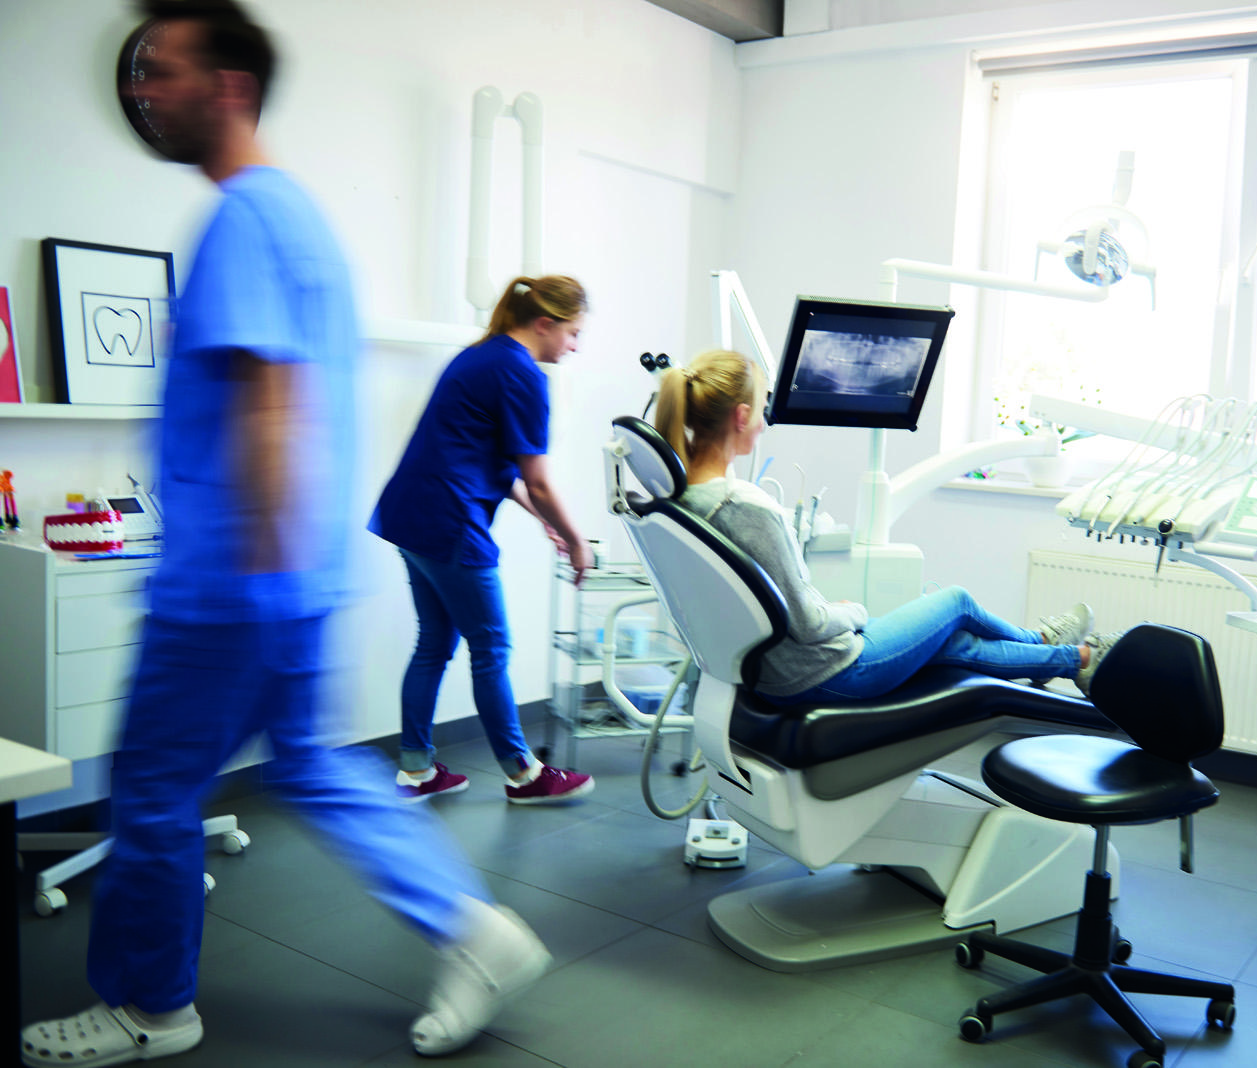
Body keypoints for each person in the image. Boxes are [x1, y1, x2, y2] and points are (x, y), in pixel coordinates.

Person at [21, 3, 549, 1062]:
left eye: (158, 70)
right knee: (310, 765)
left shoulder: (245, 218)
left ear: (227, 86)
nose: (140, 90)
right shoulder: (293, 215)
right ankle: (476, 928)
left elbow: (270, 399)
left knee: (157, 790)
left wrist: (248, 571)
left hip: (233, 584)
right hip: (292, 576)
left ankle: (149, 1007)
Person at [653, 349, 1124, 703]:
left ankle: (1074, 660)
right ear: (740, 417)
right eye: (759, 410)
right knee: (955, 602)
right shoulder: (745, 507)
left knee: (954, 641)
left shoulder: (684, 499)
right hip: (825, 671)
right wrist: (854, 611)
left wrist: (828, 612)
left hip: (780, 666)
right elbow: (811, 623)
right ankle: (1046, 643)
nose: (763, 422)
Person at [369, 275, 595, 805]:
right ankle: (523, 773)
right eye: (573, 333)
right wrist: (575, 539)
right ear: (545, 324)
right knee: (491, 648)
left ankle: (417, 769)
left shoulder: (482, 355)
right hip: (449, 523)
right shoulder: (522, 373)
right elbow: (536, 477)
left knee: (434, 644)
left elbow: (479, 455)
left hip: (410, 516)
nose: (575, 346)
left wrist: (538, 515)